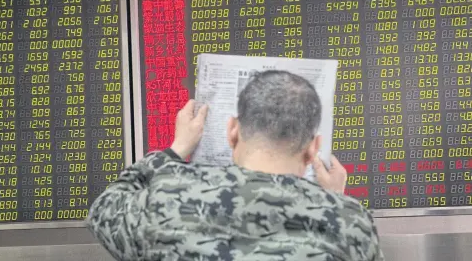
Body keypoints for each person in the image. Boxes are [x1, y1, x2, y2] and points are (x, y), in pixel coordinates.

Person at [86, 70, 384, 261]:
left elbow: (104, 210)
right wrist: (336, 201)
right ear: (313, 148)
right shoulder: (351, 222)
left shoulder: (168, 197)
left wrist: (174, 150)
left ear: (232, 130)